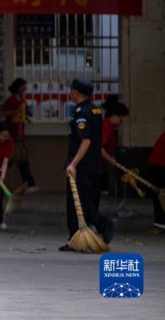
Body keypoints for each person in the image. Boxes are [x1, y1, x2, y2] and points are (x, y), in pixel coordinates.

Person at [59, 78, 115, 252]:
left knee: (75, 204)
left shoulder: (82, 113)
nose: (70, 93)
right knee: (86, 202)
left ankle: (91, 229)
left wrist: (73, 164)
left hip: (82, 167)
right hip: (94, 166)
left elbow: (86, 140)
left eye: (71, 90)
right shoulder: (95, 110)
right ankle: (89, 232)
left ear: (76, 93)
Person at [1, 78, 38, 193]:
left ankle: (29, 184)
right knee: (15, 159)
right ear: (18, 87)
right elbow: (4, 113)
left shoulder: (22, 100)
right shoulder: (11, 100)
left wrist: (27, 117)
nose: (25, 89)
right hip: (13, 135)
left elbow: (24, 113)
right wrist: (16, 111)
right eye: (23, 87)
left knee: (21, 160)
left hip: (20, 134)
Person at [100, 97, 129, 191]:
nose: (122, 120)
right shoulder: (106, 125)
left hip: (102, 168)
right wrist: (110, 160)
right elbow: (99, 148)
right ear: (115, 115)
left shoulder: (111, 128)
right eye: (121, 117)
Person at [149, 131, 165, 230]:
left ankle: (160, 222)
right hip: (160, 165)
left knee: (160, 194)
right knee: (161, 194)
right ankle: (161, 222)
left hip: (157, 164)